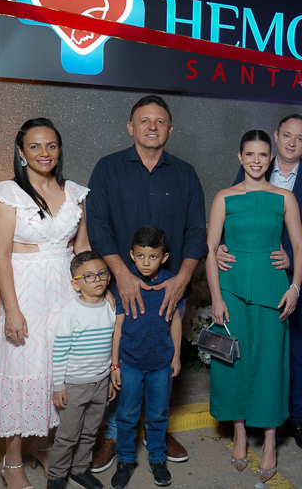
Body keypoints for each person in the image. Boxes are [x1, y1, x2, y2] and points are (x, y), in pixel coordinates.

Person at [87, 95, 207, 468]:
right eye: (144, 120)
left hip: (169, 291)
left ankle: (158, 429)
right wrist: (121, 275)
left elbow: (196, 231)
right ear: (130, 127)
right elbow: (97, 226)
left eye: (159, 121)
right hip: (122, 289)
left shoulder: (185, 173)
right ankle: (114, 434)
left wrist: (182, 278)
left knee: (162, 361)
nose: (152, 127)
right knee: (122, 361)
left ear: (170, 129)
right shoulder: (108, 169)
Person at [0, 118, 91, 489]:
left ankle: (44, 446)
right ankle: (12, 462)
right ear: (21, 152)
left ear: (59, 150)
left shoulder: (74, 192)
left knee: (57, 371)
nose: (45, 153)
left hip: (65, 291)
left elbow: (82, 249)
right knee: (22, 373)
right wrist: (12, 310)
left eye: (51, 145)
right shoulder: (6, 193)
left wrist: (92, 295)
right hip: (25, 293)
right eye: (35, 146)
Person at [216, 114, 302, 453]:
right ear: (276, 137)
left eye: (300, 137)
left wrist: (292, 260)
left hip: (286, 281)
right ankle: (247, 422)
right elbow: (234, 216)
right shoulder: (252, 168)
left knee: (289, 352)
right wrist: (222, 246)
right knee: (244, 352)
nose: (292, 142)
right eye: (287, 135)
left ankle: (293, 420)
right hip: (244, 279)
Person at [205, 130, 302, 484]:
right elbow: (210, 249)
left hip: (272, 290)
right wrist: (216, 297)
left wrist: (294, 286)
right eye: (250, 154)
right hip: (231, 290)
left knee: (270, 364)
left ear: (271, 158)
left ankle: (269, 440)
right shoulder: (224, 197)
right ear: (240, 157)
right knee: (230, 360)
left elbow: (299, 246)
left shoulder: (284, 197)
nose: (256, 161)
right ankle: (238, 431)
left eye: (263, 155)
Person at [109, 226, 182, 489]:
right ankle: (125, 460)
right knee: (127, 413)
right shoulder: (124, 283)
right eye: (140, 256)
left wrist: (176, 356)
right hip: (130, 362)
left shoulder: (171, 283)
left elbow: (175, 322)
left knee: (158, 413)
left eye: (153, 257)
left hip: (161, 363)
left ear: (164, 257)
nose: (146, 262)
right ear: (132, 255)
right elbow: (118, 327)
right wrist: (115, 364)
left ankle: (157, 459)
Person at [46, 251, 116, 489]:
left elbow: (112, 346)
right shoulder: (71, 312)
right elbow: (60, 352)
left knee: (90, 431)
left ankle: (79, 470)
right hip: (75, 384)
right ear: (75, 284)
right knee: (67, 435)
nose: (97, 279)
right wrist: (58, 386)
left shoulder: (110, 308)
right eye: (88, 276)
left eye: (102, 274)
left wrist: (109, 380)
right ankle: (56, 477)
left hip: (101, 382)